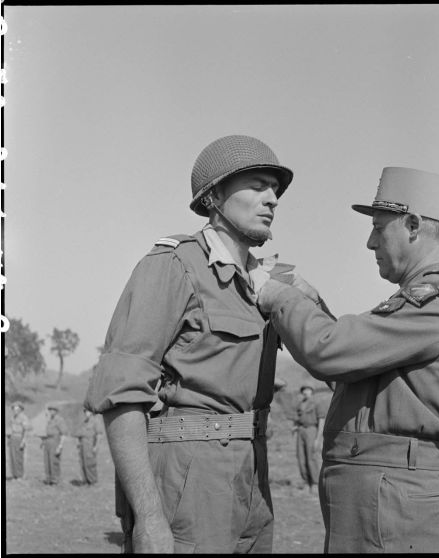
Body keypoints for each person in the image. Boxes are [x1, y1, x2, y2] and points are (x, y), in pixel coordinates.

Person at [84, 135, 296, 553]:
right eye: (256, 185)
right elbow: (122, 396)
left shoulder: (263, 281)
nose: (272, 198)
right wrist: (148, 518)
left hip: (251, 472)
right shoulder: (173, 265)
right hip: (188, 474)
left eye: (275, 189)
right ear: (214, 196)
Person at [258, 166, 439, 553]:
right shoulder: (417, 300)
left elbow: (330, 353)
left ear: (413, 225)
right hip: (384, 490)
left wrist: (278, 296)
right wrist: (310, 303)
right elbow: (354, 371)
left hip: (394, 495)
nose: (369, 242)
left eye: (379, 228)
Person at [293, 385, 326, 494]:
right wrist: (295, 427)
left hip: (312, 430)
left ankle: (315, 483)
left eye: (308, 390)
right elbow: (297, 418)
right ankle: (306, 482)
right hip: (301, 430)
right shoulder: (300, 404)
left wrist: (318, 438)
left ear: (312, 391)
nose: (305, 392)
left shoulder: (317, 403)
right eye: (303, 390)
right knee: (301, 457)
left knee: (311, 456)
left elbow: (321, 420)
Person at [75, 408, 103, 485]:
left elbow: (99, 435)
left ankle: (92, 481)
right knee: (83, 463)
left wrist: (96, 446)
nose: (86, 413)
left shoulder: (96, 421)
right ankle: (85, 481)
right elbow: (79, 434)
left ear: (91, 412)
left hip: (90, 444)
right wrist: (78, 444)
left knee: (90, 463)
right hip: (82, 445)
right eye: (85, 412)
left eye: (87, 411)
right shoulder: (84, 422)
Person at [43, 404, 68, 485]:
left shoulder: (59, 420)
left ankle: (55, 480)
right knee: (47, 461)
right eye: (50, 410)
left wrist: (60, 446)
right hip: (48, 441)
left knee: (54, 460)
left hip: (55, 441)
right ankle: (49, 478)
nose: (51, 411)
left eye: (53, 410)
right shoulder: (50, 420)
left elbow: (64, 434)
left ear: (56, 411)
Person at [7, 401, 31, 480]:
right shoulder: (12, 417)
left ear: (21, 409)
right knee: (12, 457)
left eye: (17, 409)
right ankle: (14, 475)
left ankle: (20, 475)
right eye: (14, 409)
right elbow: (10, 428)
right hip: (12, 438)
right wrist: (9, 438)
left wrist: (23, 441)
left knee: (19, 458)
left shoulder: (24, 418)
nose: (15, 411)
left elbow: (26, 430)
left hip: (19, 437)